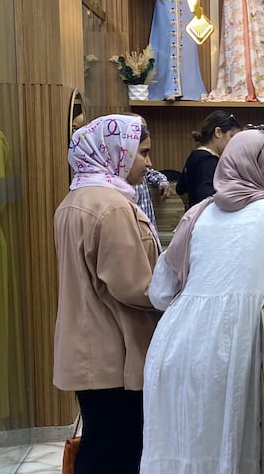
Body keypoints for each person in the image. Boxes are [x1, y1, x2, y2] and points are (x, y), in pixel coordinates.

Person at [141, 129, 264, 472]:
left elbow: (160, 292)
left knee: (180, 452)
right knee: (231, 452)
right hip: (232, 346)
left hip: (173, 346)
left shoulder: (200, 212)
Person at [53, 114, 161, 474]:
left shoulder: (76, 198)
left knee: (101, 444)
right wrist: (177, 288)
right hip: (113, 354)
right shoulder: (111, 206)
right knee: (116, 452)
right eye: (142, 152)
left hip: (87, 349)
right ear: (116, 151)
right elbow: (132, 285)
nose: (148, 162)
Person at [176, 110, 242, 208]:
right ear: (218, 132)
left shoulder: (195, 155)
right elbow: (207, 197)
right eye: (231, 136)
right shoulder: (208, 161)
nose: (234, 143)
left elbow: (180, 188)